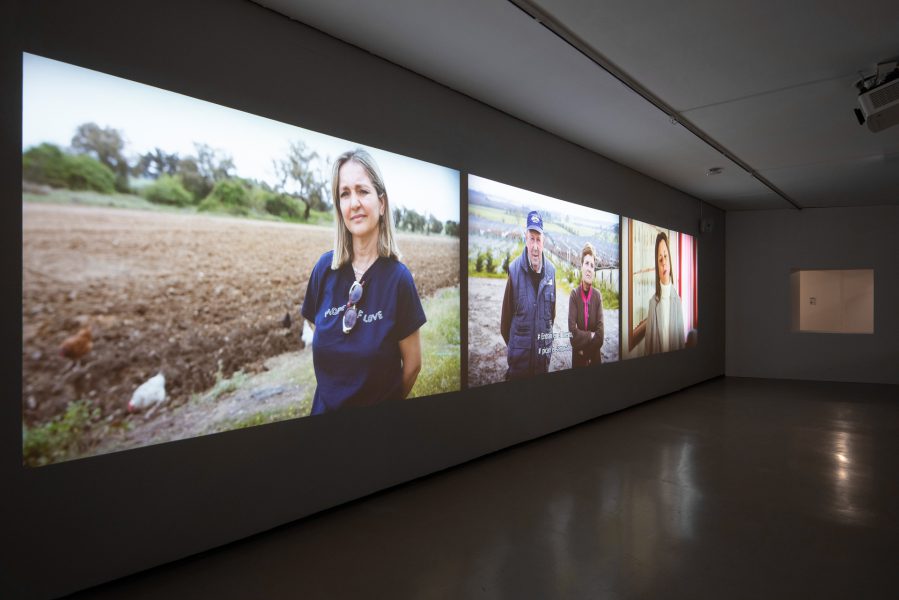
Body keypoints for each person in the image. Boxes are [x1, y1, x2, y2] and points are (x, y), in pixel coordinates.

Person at [301, 149, 425, 414]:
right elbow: (316, 326)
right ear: (339, 207)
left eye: (362, 191)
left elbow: (413, 365)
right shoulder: (324, 270)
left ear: (381, 204)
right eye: (345, 194)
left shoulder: (398, 280)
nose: (354, 203)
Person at [500, 210, 556, 379]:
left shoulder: (551, 272)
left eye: (538, 240)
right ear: (526, 240)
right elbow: (505, 324)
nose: (535, 246)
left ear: (543, 242)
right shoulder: (514, 270)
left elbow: (551, 317)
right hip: (519, 368)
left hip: (541, 366)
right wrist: (518, 349)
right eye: (532, 239)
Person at [644, 231, 685, 355]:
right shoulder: (652, 304)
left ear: (670, 260)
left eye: (665, 256)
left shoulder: (678, 301)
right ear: (657, 266)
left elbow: (682, 345)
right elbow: (647, 350)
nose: (663, 262)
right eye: (660, 258)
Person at [568, 242, 604, 367]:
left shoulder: (597, 296)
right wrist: (590, 335)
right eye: (587, 263)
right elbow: (572, 333)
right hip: (577, 362)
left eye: (592, 266)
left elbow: (600, 337)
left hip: (592, 358)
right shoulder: (574, 295)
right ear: (581, 266)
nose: (589, 268)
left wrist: (585, 352)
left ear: (594, 271)